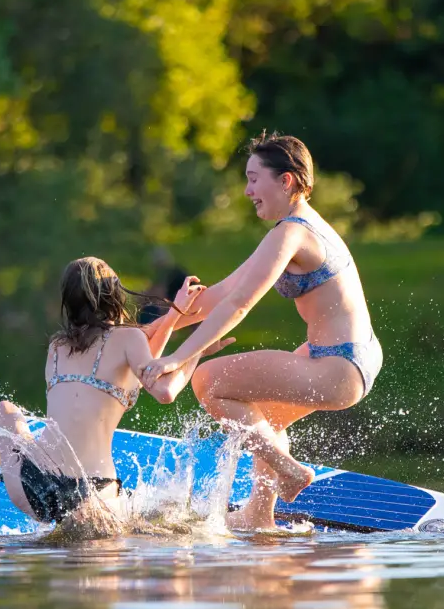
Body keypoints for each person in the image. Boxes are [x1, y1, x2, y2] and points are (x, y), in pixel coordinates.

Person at [141, 133, 380, 531]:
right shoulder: (294, 229)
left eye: (254, 178)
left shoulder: (292, 232)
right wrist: (153, 326)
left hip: (340, 364)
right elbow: (220, 295)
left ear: (285, 181)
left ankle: (290, 471)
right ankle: (259, 514)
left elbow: (239, 305)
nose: (248, 190)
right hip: (346, 357)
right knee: (264, 421)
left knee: (208, 381)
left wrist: (177, 358)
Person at [0, 256, 230, 538]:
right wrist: (197, 350)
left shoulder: (57, 347)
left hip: (34, 487)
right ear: (114, 296)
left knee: (4, 411)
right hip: (94, 496)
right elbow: (162, 387)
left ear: (69, 302)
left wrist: (175, 312)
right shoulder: (129, 340)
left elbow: (139, 352)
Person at [135, 246, 190, 325]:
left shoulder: (170, 274)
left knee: (150, 310)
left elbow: (160, 294)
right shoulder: (165, 273)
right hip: (173, 303)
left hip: (176, 303)